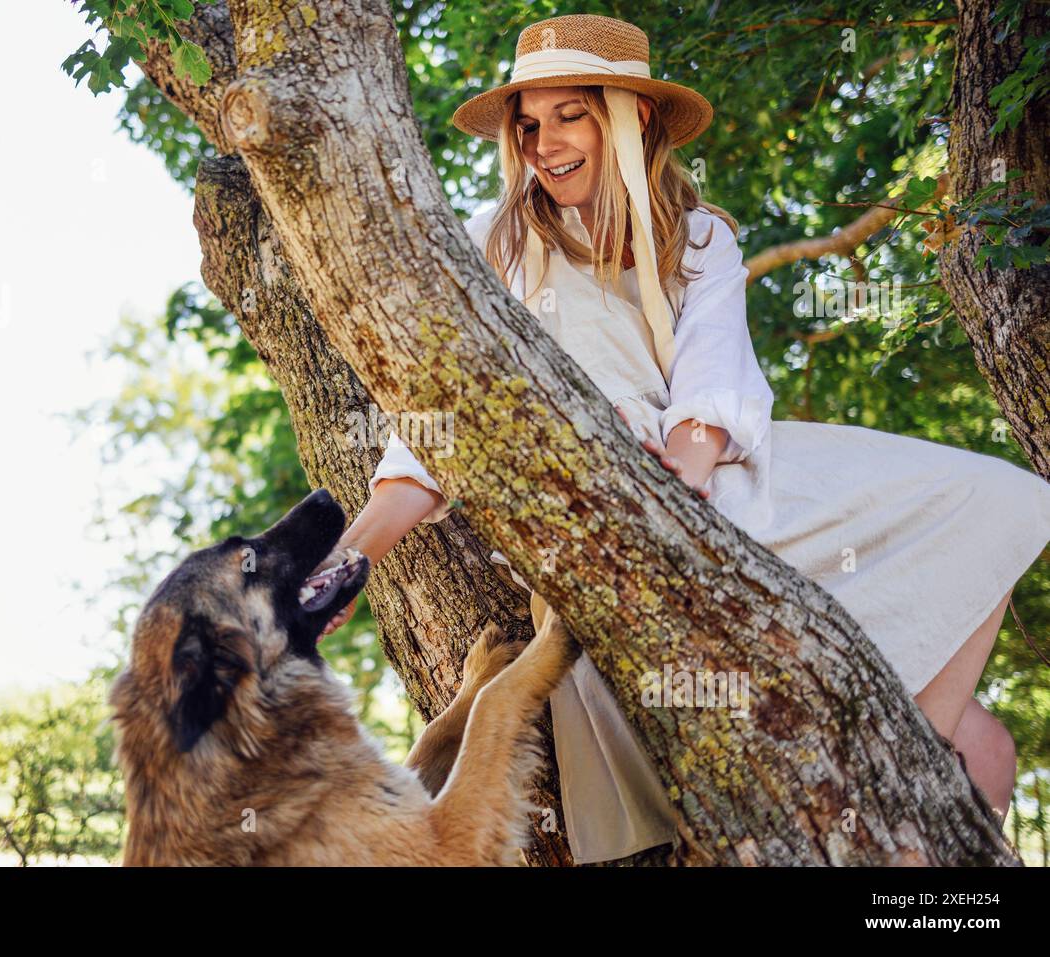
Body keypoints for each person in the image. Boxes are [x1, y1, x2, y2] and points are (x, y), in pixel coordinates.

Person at [312, 13, 1050, 863]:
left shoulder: (700, 236)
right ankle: (888, 778)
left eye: (570, 114)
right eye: (529, 123)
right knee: (972, 741)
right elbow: (432, 425)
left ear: (632, 117)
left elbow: (712, 378)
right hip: (590, 508)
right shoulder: (494, 241)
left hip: (705, 483)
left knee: (1002, 547)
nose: (544, 143)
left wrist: (681, 477)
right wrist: (352, 556)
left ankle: (897, 769)